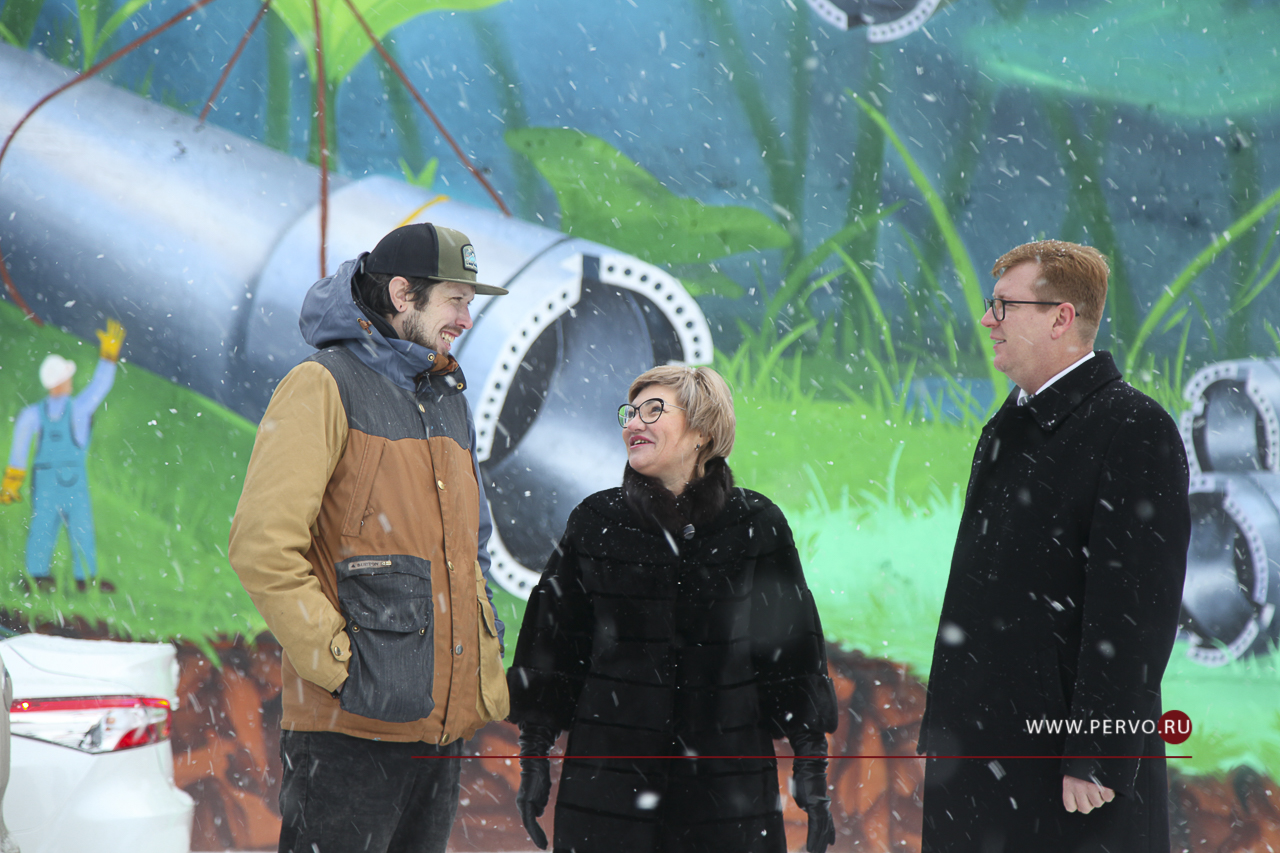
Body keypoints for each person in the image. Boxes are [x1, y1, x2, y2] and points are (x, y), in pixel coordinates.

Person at [228, 222, 511, 853]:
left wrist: (477, 648)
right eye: (455, 300)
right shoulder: (322, 384)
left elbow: (472, 550)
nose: (465, 320)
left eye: (470, 303)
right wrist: (342, 667)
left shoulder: (447, 397)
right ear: (403, 294)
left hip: (439, 732)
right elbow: (262, 546)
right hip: (348, 731)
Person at [917, 240, 1191, 853]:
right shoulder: (1006, 425)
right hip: (979, 757)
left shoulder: (1133, 427)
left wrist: (1098, 751)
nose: (987, 320)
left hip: (1064, 773)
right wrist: (947, 732)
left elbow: (1138, 609)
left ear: (1061, 318)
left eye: (1003, 305)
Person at [507, 365, 838, 853]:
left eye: (653, 410)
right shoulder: (595, 520)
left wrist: (812, 769)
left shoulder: (756, 523)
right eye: (630, 412)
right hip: (609, 795)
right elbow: (551, 647)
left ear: (703, 431)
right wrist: (533, 756)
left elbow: (792, 658)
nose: (633, 424)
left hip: (728, 797)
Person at [1, 319, 125, 593]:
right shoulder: (78, 408)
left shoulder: (33, 414)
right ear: (59, 382)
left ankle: (42, 576)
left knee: (47, 527)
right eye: (66, 378)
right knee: (71, 528)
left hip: (49, 482)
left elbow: (20, 446)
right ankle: (79, 578)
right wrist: (108, 359)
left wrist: (13, 480)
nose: (69, 382)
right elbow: (99, 387)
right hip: (69, 482)